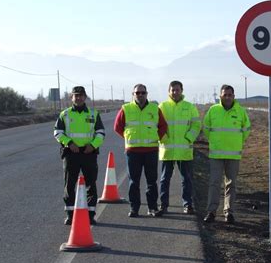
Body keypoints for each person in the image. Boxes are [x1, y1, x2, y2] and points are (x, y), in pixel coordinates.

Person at [54, 86, 105, 225]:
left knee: (91, 184)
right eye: (76, 95)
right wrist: (69, 143)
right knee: (69, 184)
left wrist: (93, 145)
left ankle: (90, 215)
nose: (79, 98)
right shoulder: (65, 114)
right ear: (71, 97)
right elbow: (58, 132)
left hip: (89, 153)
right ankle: (70, 215)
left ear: (85, 97)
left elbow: (100, 133)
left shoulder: (94, 114)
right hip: (71, 153)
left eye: (81, 95)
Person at [114, 84, 167, 217]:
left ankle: (152, 208)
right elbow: (117, 127)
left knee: (151, 181)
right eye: (137, 93)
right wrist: (128, 137)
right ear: (133, 94)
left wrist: (155, 138)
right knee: (134, 182)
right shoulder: (126, 108)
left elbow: (163, 126)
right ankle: (134, 208)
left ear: (147, 94)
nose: (140, 95)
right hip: (133, 152)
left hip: (151, 151)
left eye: (143, 93)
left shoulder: (155, 108)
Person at [202, 85, 251, 224]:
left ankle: (229, 212)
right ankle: (211, 212)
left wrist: (238, 142)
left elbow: (246, 129)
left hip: (234, 154)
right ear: (220, 96)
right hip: (216, 154)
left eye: (230, 95)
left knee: (231, 184)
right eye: (225, 95)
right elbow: (206, 128)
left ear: (233, 96)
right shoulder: (213, 110)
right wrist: (213, 141)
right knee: (214, 183)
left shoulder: (240, 111)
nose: (227, 97)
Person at [158, 81, 201, 215]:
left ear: (182, 91)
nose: (175, 92)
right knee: (165, 179)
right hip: (168, 150)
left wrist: (189, 138)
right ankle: (163, 205)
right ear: (169, 91)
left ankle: (187, 205)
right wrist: (164, 139)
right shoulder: (162, 106)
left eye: (177, 90)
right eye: (173, 90)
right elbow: (156, 124)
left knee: (186, 179)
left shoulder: (189, 107)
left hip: (184, 150)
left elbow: (196, 125)